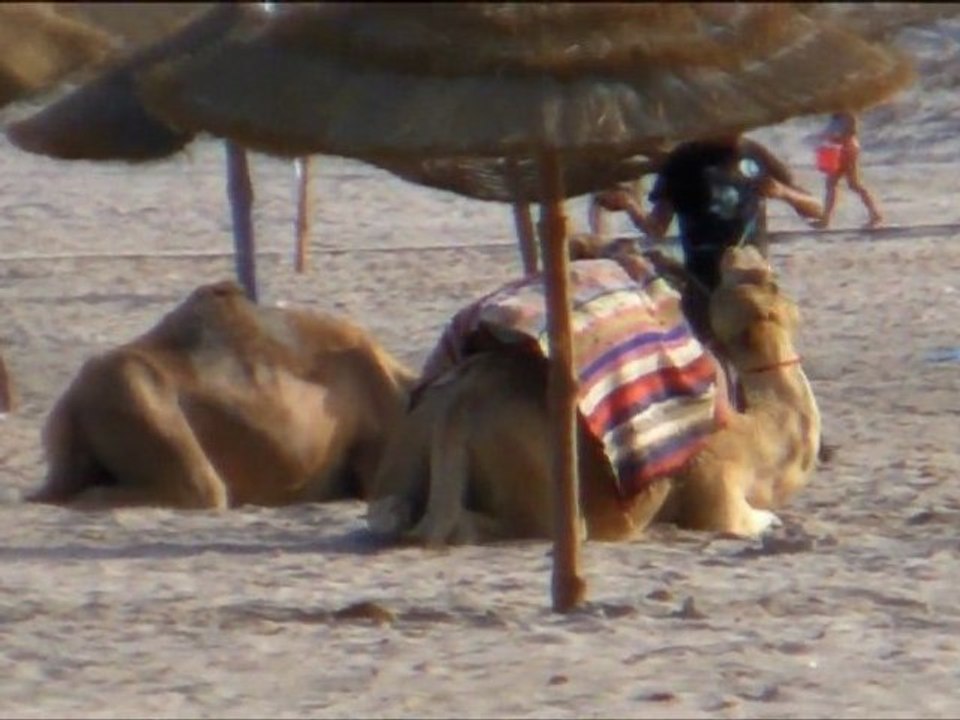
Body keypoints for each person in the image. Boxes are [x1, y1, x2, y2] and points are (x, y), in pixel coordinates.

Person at [591, 135, 822, 343]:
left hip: (751, 281)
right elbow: (656, 228)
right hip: (702, 282)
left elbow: (816, 209)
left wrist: (784, 193)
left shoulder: (754, 153)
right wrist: (630, 206)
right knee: (709, 356)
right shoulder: (682, 161)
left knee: (761, 354)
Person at [811, 111, 883, 229]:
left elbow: (851, 131)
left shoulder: (847, 113)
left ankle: (875, 214)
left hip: (847, 149)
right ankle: (826, 219)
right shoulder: (836, 115)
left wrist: (835, 138)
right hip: (839, 149)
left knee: (850, 184)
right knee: (837, 184)